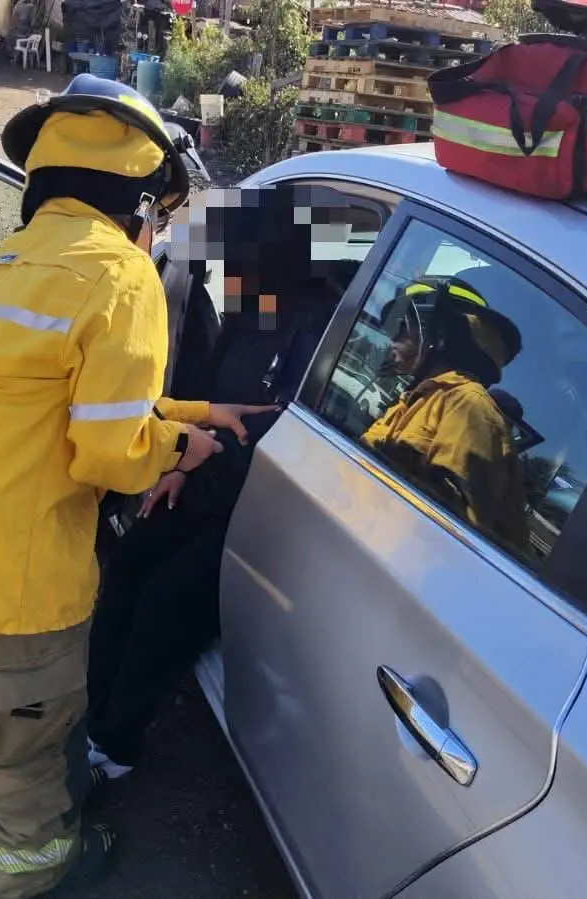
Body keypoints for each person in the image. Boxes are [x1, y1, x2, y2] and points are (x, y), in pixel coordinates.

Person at [0, 75, 253, 898]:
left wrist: (191, 407)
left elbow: (59, 393)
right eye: (165, 215)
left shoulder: (18, 261)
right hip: (3, 571)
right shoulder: (121, 276)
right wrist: (185, 445)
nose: (161, 233)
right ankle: (30, 874)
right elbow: (112, 456)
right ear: (143, 204)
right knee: (26, 750)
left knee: (0, 726)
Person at [85, 185, 345, 779]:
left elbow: (290, 428)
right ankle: (91, 713)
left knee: (167, 598)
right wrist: (178, 464)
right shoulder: (253, 311)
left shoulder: (323, 325)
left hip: (275, 502)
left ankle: (115, 746)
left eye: (243, 253)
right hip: (216, 471)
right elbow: (216, 401)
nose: (229, 269)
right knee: (129, 563)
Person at [363, 275, 529, 549]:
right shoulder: (419, 399)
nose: (393, 336)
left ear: (437, 331)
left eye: (402, 322)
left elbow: (445, 535)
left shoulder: (469, 407)